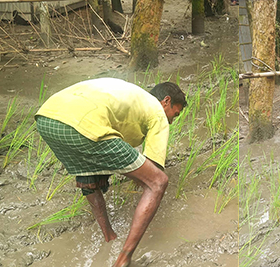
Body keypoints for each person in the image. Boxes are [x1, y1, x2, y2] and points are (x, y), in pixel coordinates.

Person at [35, 78, 186, 267]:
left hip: (46, 119)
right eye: (175, 114)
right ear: (166, 101)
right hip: (82, 123)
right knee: (158, 183)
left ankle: (109, 237)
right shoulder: (158, 112)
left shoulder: (132, 96)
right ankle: (124, 260)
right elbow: (153, 171)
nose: (171, 121)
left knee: (88, 177)